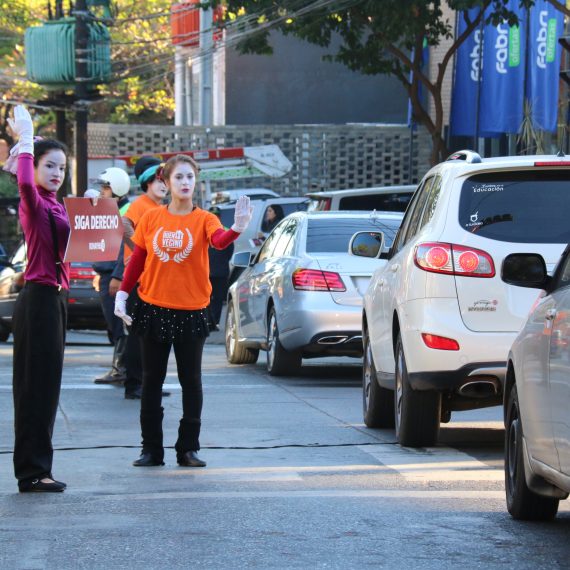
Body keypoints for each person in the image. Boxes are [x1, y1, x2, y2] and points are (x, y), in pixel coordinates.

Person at [114, 155, 252, 468]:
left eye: (190, 177)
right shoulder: (152, 217)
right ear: (166, 182)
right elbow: (138, 259)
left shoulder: (205, 218)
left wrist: (236, 228)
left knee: (191, 381)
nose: (185, 182)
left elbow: (219, 242)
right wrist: (122, 293)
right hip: (153, 307)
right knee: (151, 381)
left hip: (191, 310)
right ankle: (151, 449)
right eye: (178, 177)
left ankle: (188, 448)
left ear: (195, 181)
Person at [8, 105, 69, 492]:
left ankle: (40, 468)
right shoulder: (33, 201)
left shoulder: (58, 203)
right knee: (34, 387)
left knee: (48, 388)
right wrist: (27, 140)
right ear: (34, 168)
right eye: (50, 166)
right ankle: (31, 472)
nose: (57, 173)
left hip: (58, 300)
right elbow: (26, 185)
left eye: (62, 167)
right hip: (38, 298)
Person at [110, 156, 169, 400]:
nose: (163, 185)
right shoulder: (140, 204)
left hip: (155, 281)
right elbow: (124, 224)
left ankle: (148, 385)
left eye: (165, 180)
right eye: (158, 180)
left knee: (153, 336)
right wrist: (139, 250)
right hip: (137, 280)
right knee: (138, 335)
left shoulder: (163, 208)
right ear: (147, 183)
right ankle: (133, 385)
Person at [91, 167, 132, 385]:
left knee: (119, 324)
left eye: (105, 188)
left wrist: (117, 276)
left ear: (117, 189)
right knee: (113, 323)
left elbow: (125, 251)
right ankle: (120, 367)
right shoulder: (112, 211)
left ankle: (121, 369)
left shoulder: (125, 213)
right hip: (107, 275)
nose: (101, 192)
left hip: (116, 276)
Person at [208, 206, 234, 330]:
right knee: (209, 299)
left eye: (216, 215)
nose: (215, 217)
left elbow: (230, 251)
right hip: (210, 271)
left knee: (216, 299)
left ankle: (213, 323)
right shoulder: (203, 229)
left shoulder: (226, 230)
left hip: (218, 271)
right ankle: (210, 322)